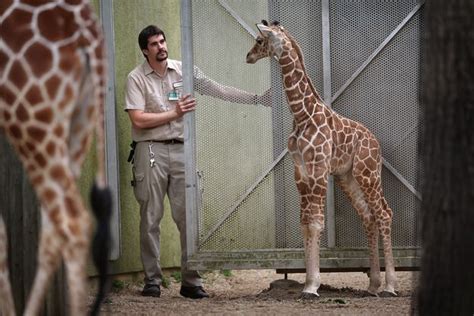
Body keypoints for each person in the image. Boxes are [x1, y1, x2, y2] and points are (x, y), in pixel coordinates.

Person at [125, 25, 269, 299]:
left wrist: (258, 100)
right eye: (154, 44)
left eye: (162, 41)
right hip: (150, 151)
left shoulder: (184, 70)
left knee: (188, 217)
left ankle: (191, 281)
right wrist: (174, 112)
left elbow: (220, 90)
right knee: (150, 217)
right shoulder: (136, 78)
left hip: (182, 151)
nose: (161, 47)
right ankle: (152, 280)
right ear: (145, 50)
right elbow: (137, 119)